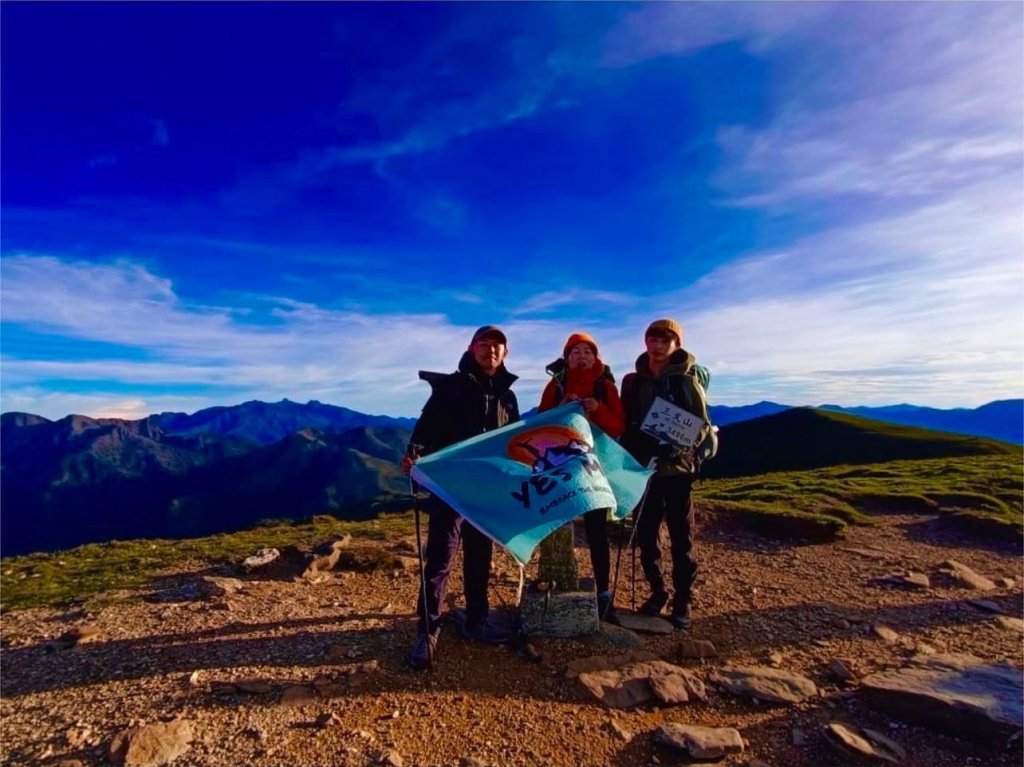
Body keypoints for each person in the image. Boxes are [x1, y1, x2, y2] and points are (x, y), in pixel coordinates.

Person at [401, 325, 520, 670]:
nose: (491, 351)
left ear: (505, 353)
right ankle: (427, 628)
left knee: (480, 555)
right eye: (485, 344)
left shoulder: (507, 395)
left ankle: (477, 618)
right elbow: (424, 430)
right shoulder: (450, 386)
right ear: (472, 348)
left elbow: (512, 441)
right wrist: (415, 456)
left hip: (487, 488)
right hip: (451, 486)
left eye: (498, 346)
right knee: (440, 557)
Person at [619, 319, 717, 630]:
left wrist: (675, 450)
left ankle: (683, 599)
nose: (657, 343)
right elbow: (626, 419)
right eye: (653, 337)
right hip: (645, 470)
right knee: (646, 535)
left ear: (676, 343)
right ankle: (659, 591)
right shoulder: (633, 381)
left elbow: (701, 423)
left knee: (680, 538)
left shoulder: (687, 380)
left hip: (677, 470)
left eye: (665, 338)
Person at [537, 332, 626, 624]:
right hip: (561, 467)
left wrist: (598, 409)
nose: (581, 356)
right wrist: (564, 404)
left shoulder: (606, 385)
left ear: (596, 356)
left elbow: (618, 427)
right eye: (575, 352)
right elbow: (540, 421)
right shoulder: (557, 384)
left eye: (587, 351)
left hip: (595, 469)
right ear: (567, 357)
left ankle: (603, 592)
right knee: (557, 526)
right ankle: (554, 580)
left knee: (597, 530)